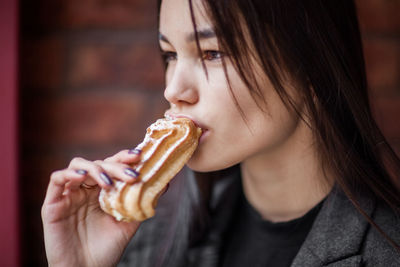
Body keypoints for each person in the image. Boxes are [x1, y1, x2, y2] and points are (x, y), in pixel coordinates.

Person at [41, 0, 400, 266]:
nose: (173, 90)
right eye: (170, 55)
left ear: (312, 67)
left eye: (212, 53)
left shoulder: (386, 252)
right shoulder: (147, 238)